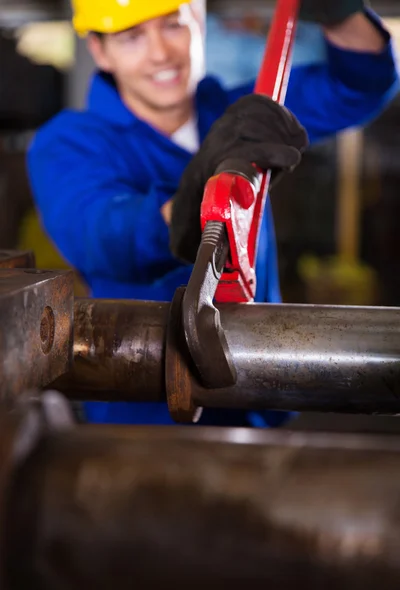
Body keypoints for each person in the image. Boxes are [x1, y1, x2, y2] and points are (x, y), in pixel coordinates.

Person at [28, 0, 398, 426]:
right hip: (144, 416)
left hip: (264, 396)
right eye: (132, 37)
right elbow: (102, 234)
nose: (161, 53)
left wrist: (341, 12)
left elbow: (360, 86)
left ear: (198, 23)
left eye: (173, 26)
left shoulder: (239, 113)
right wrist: (195, 192)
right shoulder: (68, 142)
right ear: (99, 49)